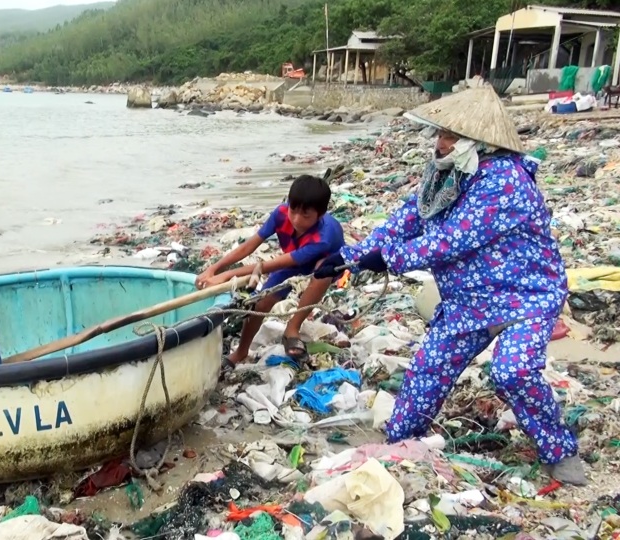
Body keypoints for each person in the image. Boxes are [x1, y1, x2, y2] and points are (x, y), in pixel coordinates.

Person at [313, 84, 587, 486]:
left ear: (478, 141)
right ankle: (403, 440)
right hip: (470, 300)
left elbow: (451, 239)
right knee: (428, 368)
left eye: (449, 136)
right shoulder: (447, 174)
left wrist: (387, 259)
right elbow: (408, 218)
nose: (439, 143)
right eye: (440, 134)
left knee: (512, 371)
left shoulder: (504, 181)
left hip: (526, 295)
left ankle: (560, 452)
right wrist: (351, 256)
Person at [195, 174, 345, 368]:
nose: (297, 220)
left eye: (306, 216)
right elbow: (249, 246)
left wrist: (225, 276)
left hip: (326, 261)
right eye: (293, 211)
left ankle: (292, 328)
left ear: (320, 215)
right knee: (261, 302)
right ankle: (241, 351)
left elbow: (272, 265)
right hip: (294, 257)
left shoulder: (323, 237)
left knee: (322, 272)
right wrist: (213, 269)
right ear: (288, 204)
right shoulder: (281, 214)